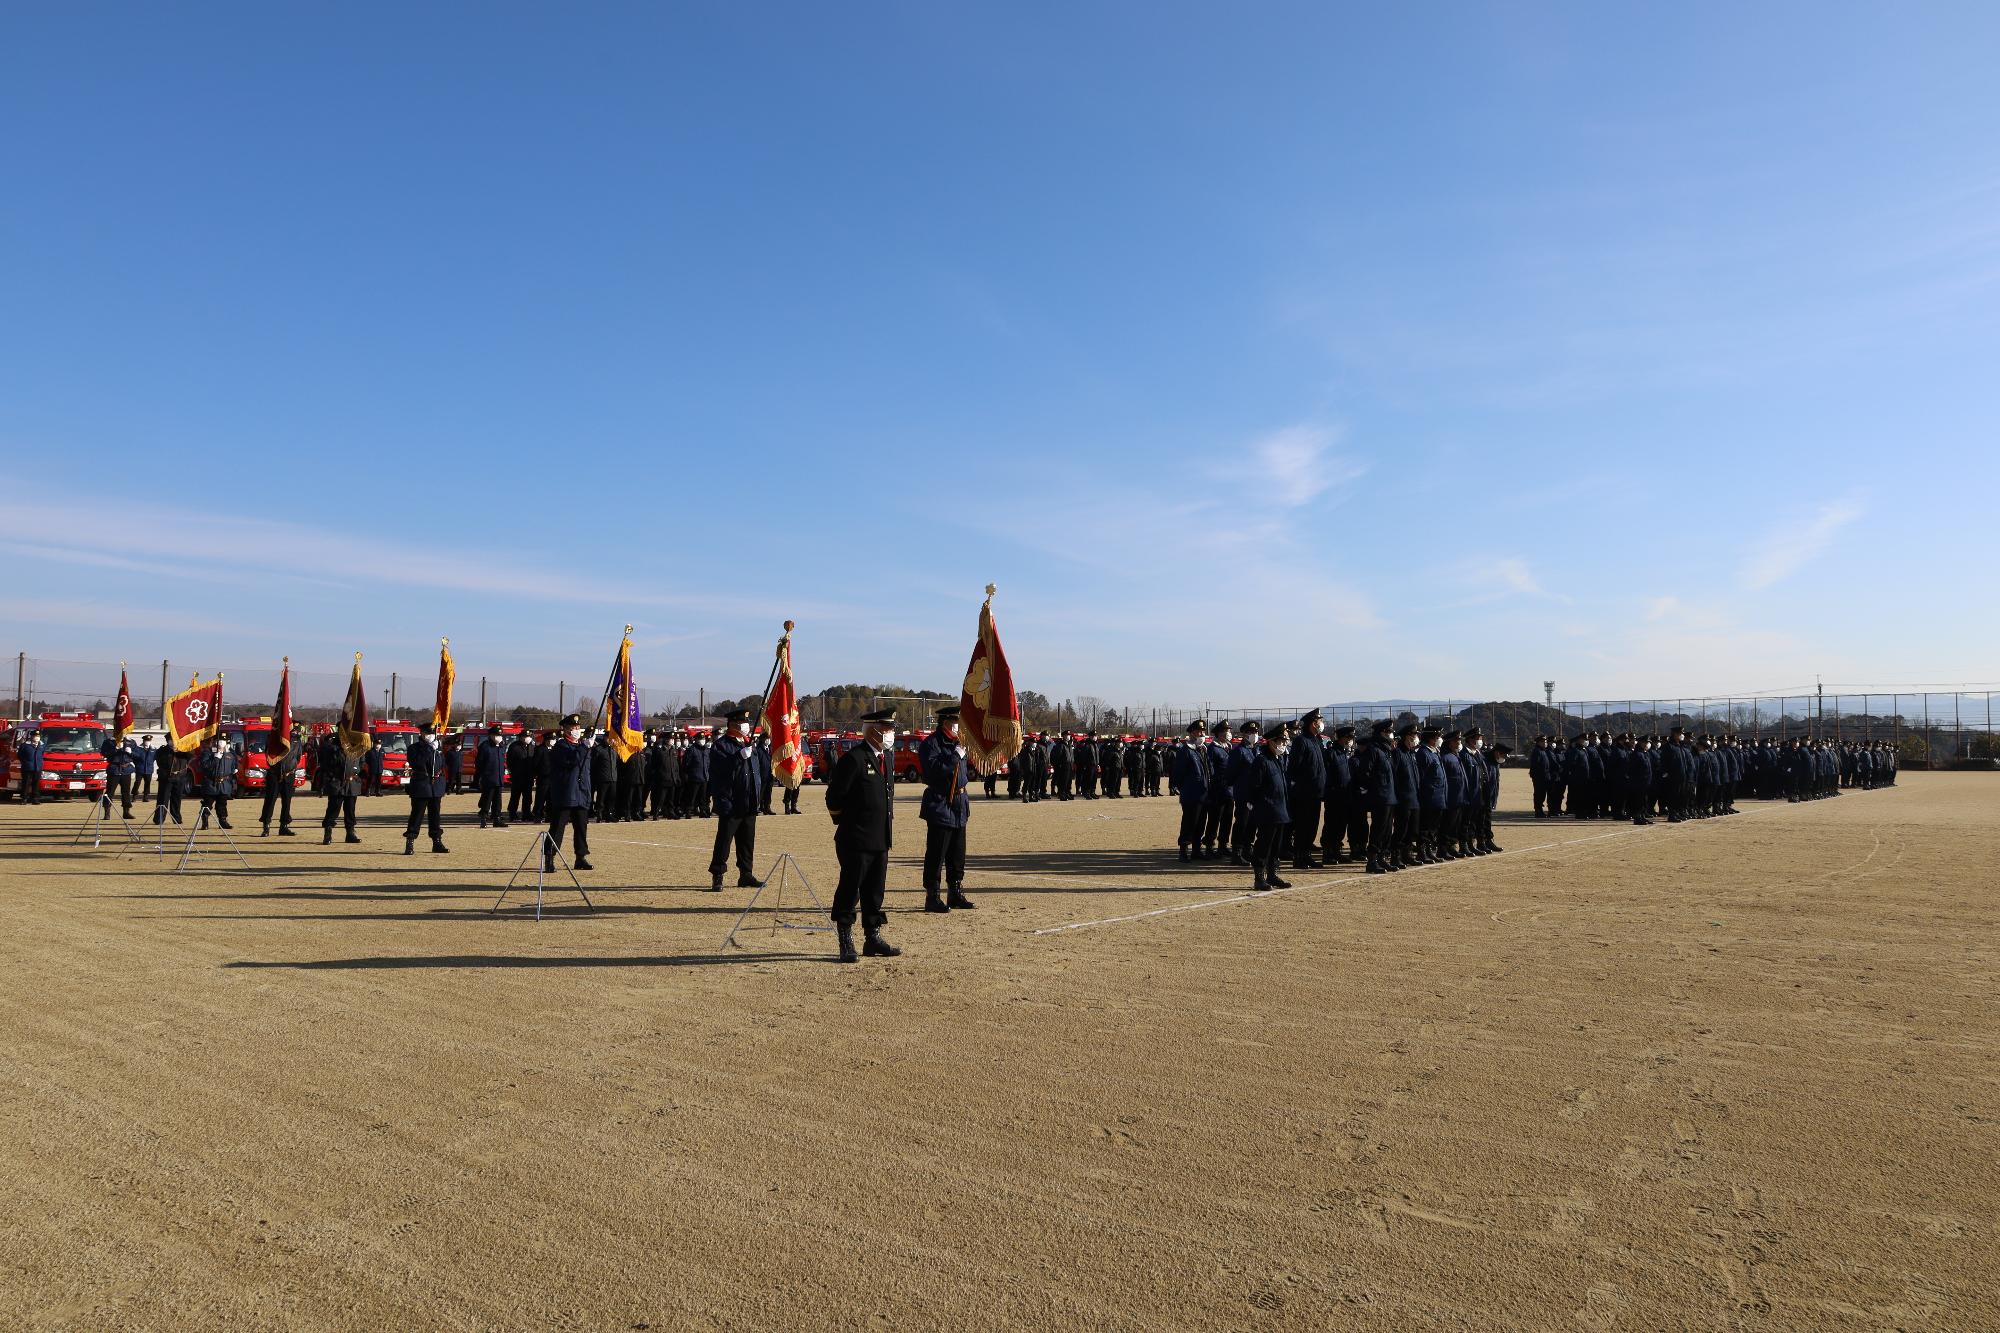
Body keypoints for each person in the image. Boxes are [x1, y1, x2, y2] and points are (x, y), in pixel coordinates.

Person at [825, 708, 901, 964]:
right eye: (887, 729)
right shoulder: (854, 759)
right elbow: (834, 798)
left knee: (875, 891)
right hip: (856, 839)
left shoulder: (886, 758)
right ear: (873, 730)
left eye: (891, 728)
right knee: (850, 890)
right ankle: (846, 940)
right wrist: (848, 822)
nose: (891, 733)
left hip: (880, 838)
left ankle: (872, 937)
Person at [918, 704, 975, 911]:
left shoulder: (959, 743)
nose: (958, 726)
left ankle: (955, 892)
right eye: (955, 722)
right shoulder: (931, 744)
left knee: (957, 853)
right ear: (945, 722)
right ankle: (932, 896)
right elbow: (933, 772)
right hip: (941, 802)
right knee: (936, 853)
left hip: (959, 803)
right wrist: (954, 756)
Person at [707, 708, 766, 892]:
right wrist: (738, 758)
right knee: (724, 840)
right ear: (733, 724)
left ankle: (746, 874)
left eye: (747, 723)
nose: (746, 726)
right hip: (731, 802)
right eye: (743, 723)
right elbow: (720, 771)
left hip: (749, 801)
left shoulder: (748, 744)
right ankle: (718, 874)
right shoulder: (722, 745)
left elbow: (755, 771)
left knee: (747, 841)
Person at [1243, 725, 1292, 892]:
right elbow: (1254, 786)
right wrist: (1254, 804)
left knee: (1276, 846)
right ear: (1271, 742)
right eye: (1281, 741)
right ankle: (1259, 877)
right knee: (1264, 844)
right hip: (1267, 810)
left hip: (1280, 810)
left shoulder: (1276, 760)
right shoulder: (1262, 760)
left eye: (1285, 741)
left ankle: (1272, 874)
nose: (1284, 744)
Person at [542, 714, 594, 871]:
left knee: (581, 827)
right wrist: (584, 747)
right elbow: (571, 761)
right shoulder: (561, 746)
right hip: (565, 793)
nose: (576, 730)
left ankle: (580, 857)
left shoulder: (582, 746)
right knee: (558, 827)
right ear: (565, 729)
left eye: (578, 727)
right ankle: (549, 858)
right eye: (573, 727)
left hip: (581, 792)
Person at [1354, 719, 1398, 874]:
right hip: (1380, 796)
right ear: (1382, 733)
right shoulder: (1373, 749)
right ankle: (1372, 860)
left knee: (1387, 830)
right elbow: (1365, 772)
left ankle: (1382, 858)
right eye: (1389, 731)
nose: (1392, 734)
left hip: (1389, 795)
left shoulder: (1386, 750)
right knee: (1378, 829)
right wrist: (1371, 790)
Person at [1286, 710, 1328, 870]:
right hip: (1304, 793)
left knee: (1312, 826)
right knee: (1303, 826)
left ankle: (1306, 855)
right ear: (1312, 723)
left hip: (1316, 792)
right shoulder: (1301, 741)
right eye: (1319, 720)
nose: (1321, 723)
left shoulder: (1315, 741)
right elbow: (1294, 767)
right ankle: (1299, 857)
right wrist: (1298, 786)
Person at [402, 722, 450, 855]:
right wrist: (429, 749)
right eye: (427, 733)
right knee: (417, 815)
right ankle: (410, 842)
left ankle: (437, 841)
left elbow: (442, 765)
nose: (430, 736)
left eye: (432, 733)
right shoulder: (414, 748)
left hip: (436, 786)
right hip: (421, 785)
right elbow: (417, 762)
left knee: (435, 816)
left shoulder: (438, 748)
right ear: (421, 733)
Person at [1170, 720, 1215, 861]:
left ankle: (1196, 850)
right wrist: (1183, 787)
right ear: (1191, 733)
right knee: (1189, 823)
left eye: (1203, 731)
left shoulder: (1203, 749)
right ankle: (1183, 850)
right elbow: (1178, 772)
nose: (1202, 734)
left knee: (1201, 823)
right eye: (1199, 731)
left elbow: (1209, 770)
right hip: (1191, 794)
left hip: (1204, 793)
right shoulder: (1186, 751)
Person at [259, 725, 305, 836]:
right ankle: (266, 826)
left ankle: (284, 826)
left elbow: (298, 757)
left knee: (287, 801)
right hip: (275, 774)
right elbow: (268, 753)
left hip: (289, 775)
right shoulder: (274, 738)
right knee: (270, 801)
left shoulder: (296, 741)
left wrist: (291, 769)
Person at [319, 733, 364, 844]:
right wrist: (333, 777)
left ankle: (350, 833)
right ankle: (328, 833)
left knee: (350, 810)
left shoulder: (357, 748)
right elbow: (326, 765)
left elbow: (361, 762)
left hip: (352, 784)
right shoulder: (332, 749)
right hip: (337, 783)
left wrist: (355, 772)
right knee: (333, 809)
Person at [1201, 720, 1236, 857]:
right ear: (1218, 734)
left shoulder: (1228, 747)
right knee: (1214, 819)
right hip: (1218, 790)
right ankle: (1209, 846)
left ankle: (1223, 845)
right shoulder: (1213, 749)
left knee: (1227, 819)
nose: (1228, 733)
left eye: (1229, 730)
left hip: (1230, 790)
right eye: (1225, 731)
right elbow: (1210, 771)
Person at [1414, 725, 1448, 864]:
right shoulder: (1423, 753)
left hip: (1439, 796)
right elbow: (1421, 777)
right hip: (1429, 796)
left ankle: (1429, 850)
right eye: (1437, 737)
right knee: (1425, 826)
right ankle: (1422, 851)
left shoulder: (1435, 752)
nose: (1439, 739)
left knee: (1433, 827)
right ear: (1430, 738)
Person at [194, 733, 238, 829]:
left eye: (223, 741)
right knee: (207, 803)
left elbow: (234, 764)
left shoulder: (230, 753)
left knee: (222, 804)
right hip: (211, 782)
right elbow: (204, 766)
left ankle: (223, 821)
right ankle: (205, 821)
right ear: (214, 742)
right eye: (219, 740)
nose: (221, 743)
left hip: (224, 783)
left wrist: (235, 769)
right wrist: (215, 758)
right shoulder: (208, 753)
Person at [476, 728, 509, 828]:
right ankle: (483, 817)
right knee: (487, 799)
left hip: (499, 777)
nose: (498, 737)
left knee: (497, 801)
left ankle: (497, 818)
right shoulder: (485, 746)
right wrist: (483, 775)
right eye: (496, 735)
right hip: (488, 778)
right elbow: (479, 762)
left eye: (500, 735)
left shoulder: (501, 746)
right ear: (490, 735)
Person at [100, 733, 138, 819]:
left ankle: (126, 812)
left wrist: (131, 752)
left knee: (126, 792)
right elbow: (104, 753)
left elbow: (138, 755)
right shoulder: (109, 742)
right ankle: (107, 812)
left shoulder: (131, 742)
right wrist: (115, 749)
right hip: (114, 769)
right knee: (109, 792)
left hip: (126, 769)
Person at [152, 736, 184, 825]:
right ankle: (159, 818)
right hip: (166, 778)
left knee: (177, 800)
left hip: (179, 778)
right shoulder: (162, 750)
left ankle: (177, 819)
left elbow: (190, 756)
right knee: (163, 799)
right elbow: (159, 761)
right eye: (171, 740)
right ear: (168, 741)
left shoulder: (183, 749)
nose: (173, 741)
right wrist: (171, 751)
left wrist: (178, 750)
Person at [17, 731, 44, 804]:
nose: (37, 737)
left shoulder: (41, 745)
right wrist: (25, 762)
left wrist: (40, 764)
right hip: (27, 767)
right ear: (31, 736)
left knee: (36, 783)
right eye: (35, 736)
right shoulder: (25, 745)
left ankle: (35, 799)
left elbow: (42, 755)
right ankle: (24, 799)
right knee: (26, 783)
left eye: (38, 736)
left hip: (37, 767)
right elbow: (20, 755)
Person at [134, 734, 156, 799]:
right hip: (140, 769)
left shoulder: (153, 749)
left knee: (148, 783)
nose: (147, 742)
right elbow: (134, 757)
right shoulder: (138, 748)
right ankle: (134, 795)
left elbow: (154, 758)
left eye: (149, 740)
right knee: (137, 782)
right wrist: (137, 765)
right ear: (143, 741)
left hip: (149, 769)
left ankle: (146, 796)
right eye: (146, 740)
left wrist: (150, 763)